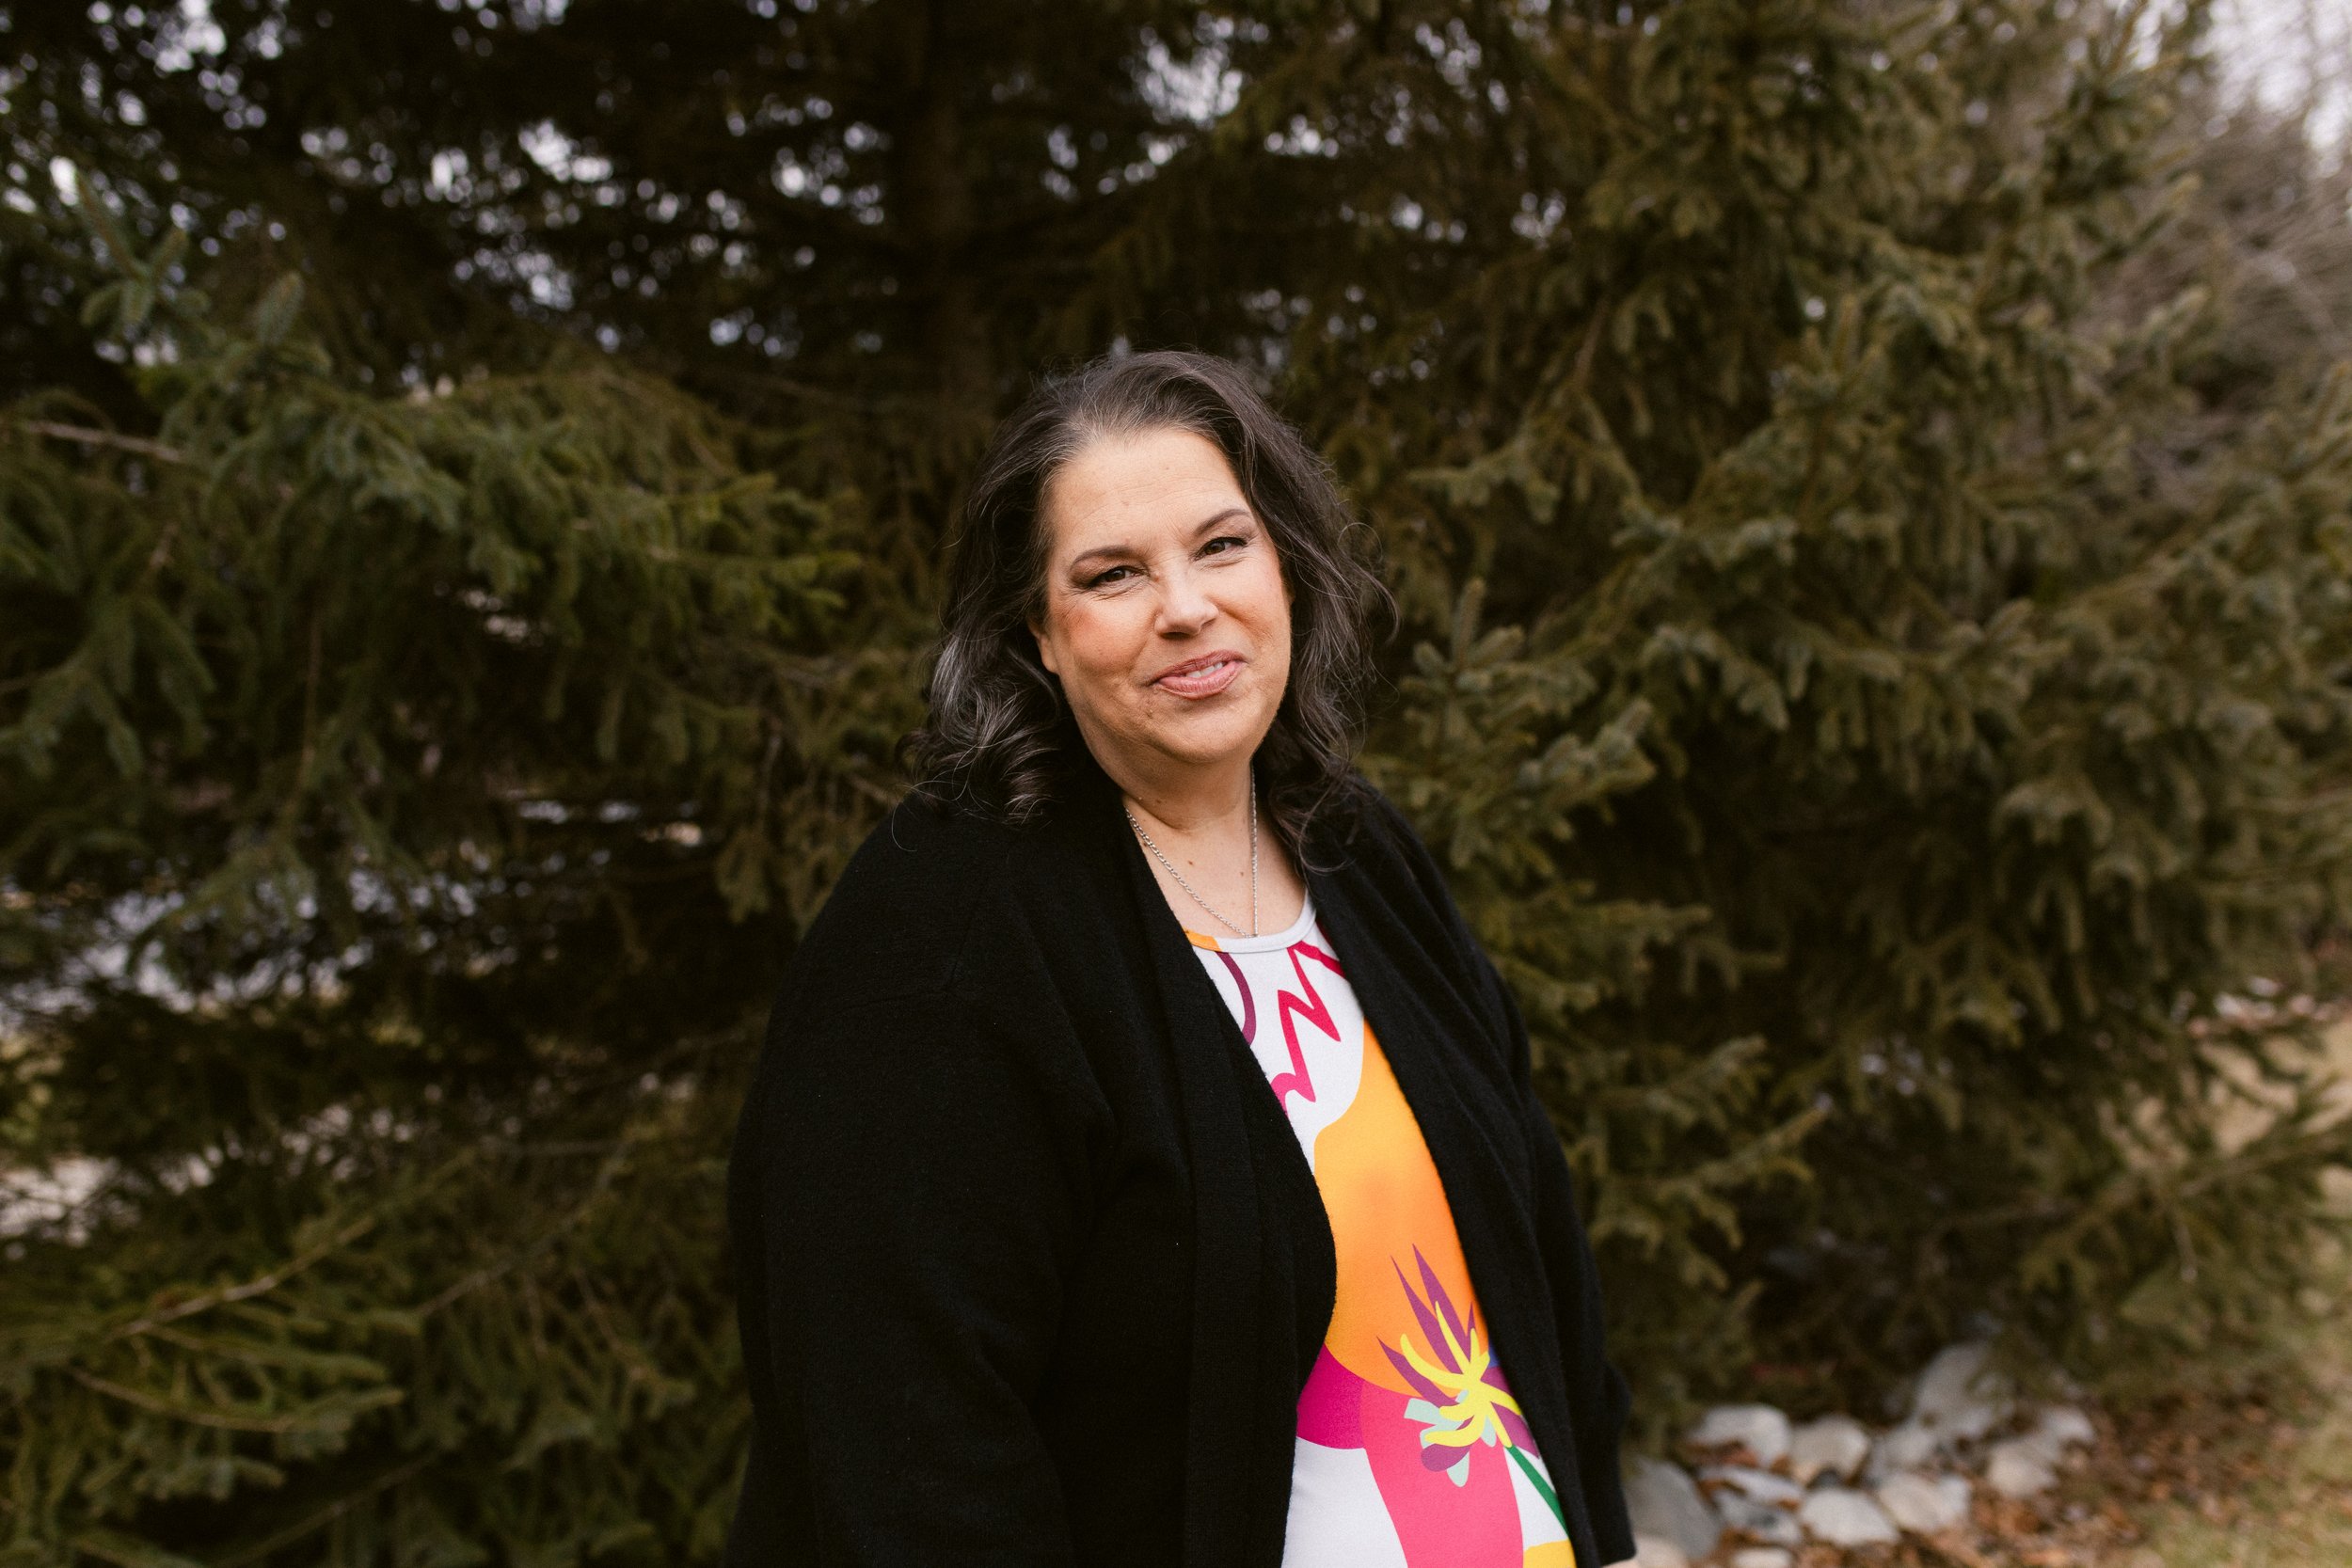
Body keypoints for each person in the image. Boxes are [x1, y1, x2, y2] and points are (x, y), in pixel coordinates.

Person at [724, 350, 1635, 1568]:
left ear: (1283, 566)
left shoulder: (1358, 854)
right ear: (1038, 633)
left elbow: (1537, 1253)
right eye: (1113, 574)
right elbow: (905, 1439)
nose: (1187, 607)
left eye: (1221, 546)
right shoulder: (942, 939)